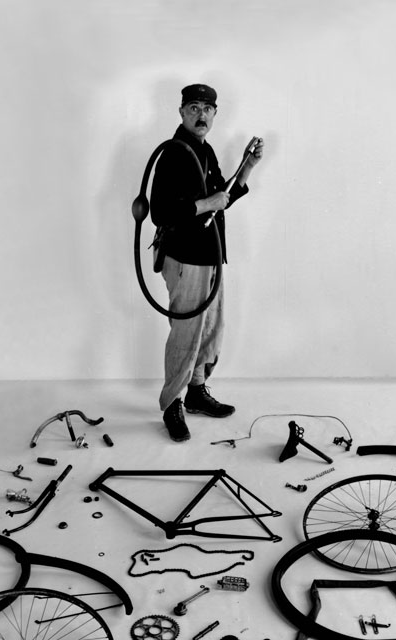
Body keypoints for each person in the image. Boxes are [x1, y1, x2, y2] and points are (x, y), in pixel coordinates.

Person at [150, 83, 264, 442]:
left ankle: (196, 392)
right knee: (187, 333)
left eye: (208, 109)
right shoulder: (173, 153)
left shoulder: (205, 150)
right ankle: (172, 404)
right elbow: (160, 212)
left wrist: (247, 168)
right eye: (194, 107)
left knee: (210, 328)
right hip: (185, 258)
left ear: (215, 114)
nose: (201, 115)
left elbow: (220, 199)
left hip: (210, 255)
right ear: (181, 112)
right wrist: (205, 205)